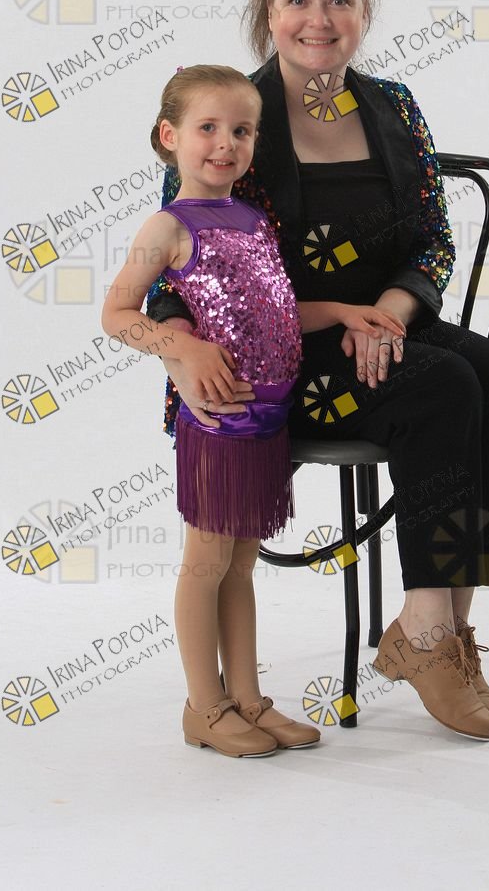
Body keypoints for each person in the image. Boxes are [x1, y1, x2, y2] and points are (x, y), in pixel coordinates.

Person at [145, 0, 489, 743]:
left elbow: (433, 239)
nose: (318, 20)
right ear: (268, 9)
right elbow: (176, 264)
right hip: (280, 358)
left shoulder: (393, 106)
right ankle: (426, 629)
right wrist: (180, 350)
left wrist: (392, 312)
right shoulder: (234, 115)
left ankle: (443, 619)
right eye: (298, 0)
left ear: (365, 10)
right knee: (443, 385)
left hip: (384, 326)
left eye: (339, 0)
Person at [101, 62, 406, 757]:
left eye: (241, 131)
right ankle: (202, 706)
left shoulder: (252, 219)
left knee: (239, 567)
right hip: (218, 420)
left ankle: (247, 699)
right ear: (169, 136)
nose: (225, 144)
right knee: (206, 563)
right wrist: (183, 347)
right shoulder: (168, 225)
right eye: (208, 128)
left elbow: (276, 311)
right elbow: (116, 313)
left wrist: (341, 310)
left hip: (267, 419)